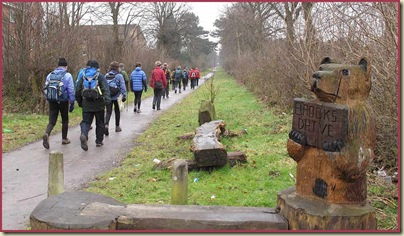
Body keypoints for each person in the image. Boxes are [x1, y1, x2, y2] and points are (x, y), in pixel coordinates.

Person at [75, 60, 111, 150]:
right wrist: (107, 101)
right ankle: (99, 141)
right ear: (97, 68)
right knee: (100, 122)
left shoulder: (83, 76)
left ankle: (84, 134)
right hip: (99, 103)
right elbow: (105, 89)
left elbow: (78, 90)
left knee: (86, 122)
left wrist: (80, 102)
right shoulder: (100, 76)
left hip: (86, 103)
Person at [42, 58, 75, 149]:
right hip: (63, 101)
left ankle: (46, 133)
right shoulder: (67, 75)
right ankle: (64, 139)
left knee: (52, 121)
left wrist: (48, 99)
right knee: (65, 120)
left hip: (52, 100)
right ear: (66, 66)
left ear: (57, 66)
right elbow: (71, 90)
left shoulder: (50, 75)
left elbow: (45, 88)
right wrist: (72, 102)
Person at [104, 61, 127, 135]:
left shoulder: (106, 75)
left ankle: (106, 124)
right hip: (117, 97)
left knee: (108, 112)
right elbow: (122, 86)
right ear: (117, 68)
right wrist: (124, 95)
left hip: (108, 97)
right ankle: (117, 127)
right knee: (117, 111)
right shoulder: (119, 76)